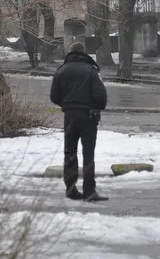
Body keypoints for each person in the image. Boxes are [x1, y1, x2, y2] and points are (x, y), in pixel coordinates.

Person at [50, 42, 109, 202]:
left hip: (69, 116)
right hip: (88, 116)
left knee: (69, 152)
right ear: (84, 53)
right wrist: (96, 108)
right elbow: (100, 95)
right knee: (88, 154)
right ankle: (89, 191)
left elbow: (54, 96)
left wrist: (67, 105)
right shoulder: (91, 70)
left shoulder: (61, 70)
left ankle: (70, 189)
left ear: (70, 52)